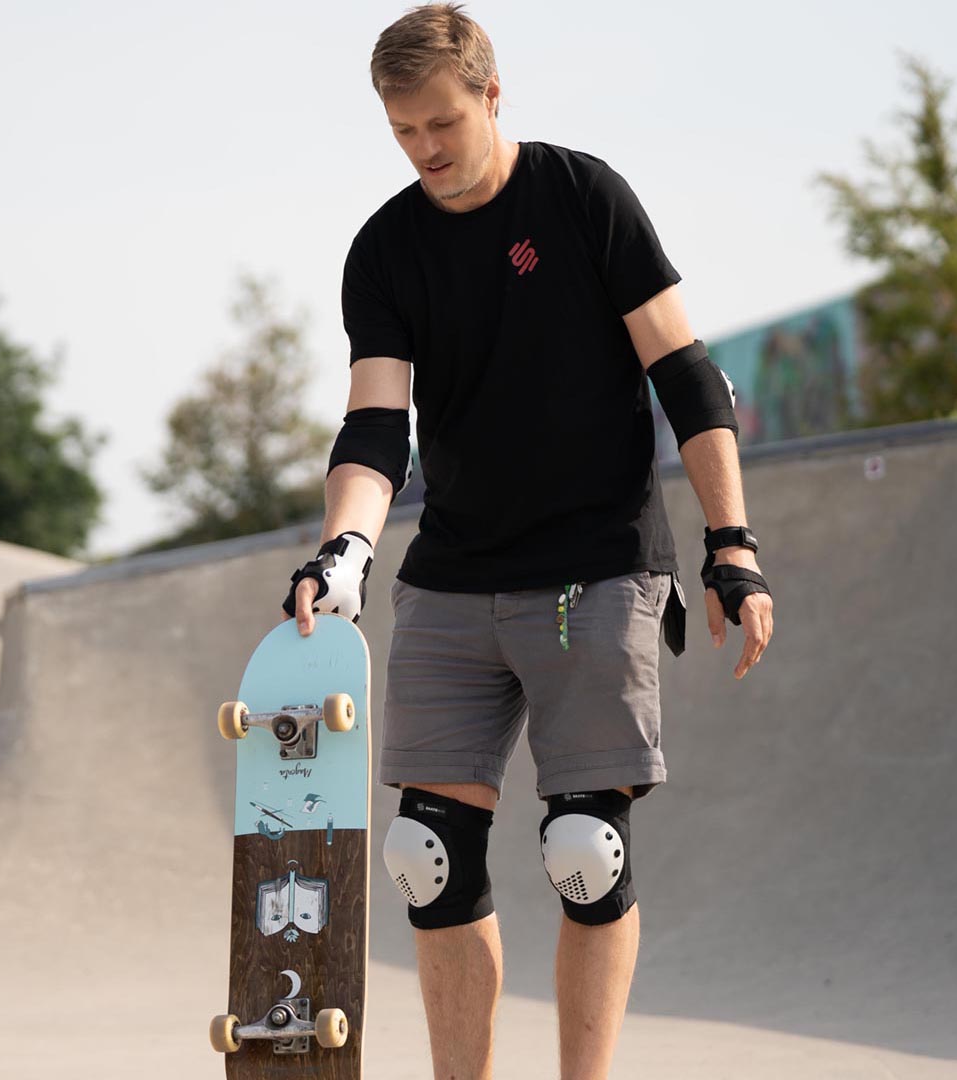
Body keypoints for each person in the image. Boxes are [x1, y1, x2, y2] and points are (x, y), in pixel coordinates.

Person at [280, 5, 774, 1078]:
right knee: (426, 858)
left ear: (493, 96)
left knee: (583, 853)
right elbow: (374, 425)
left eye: (441, 123)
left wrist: (730, 544)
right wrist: (347, 554)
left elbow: (686, 375)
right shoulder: (387, 249)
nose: (425, 150)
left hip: (596, 569)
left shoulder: (582, 197)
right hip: (456, 576)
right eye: (402, 132)